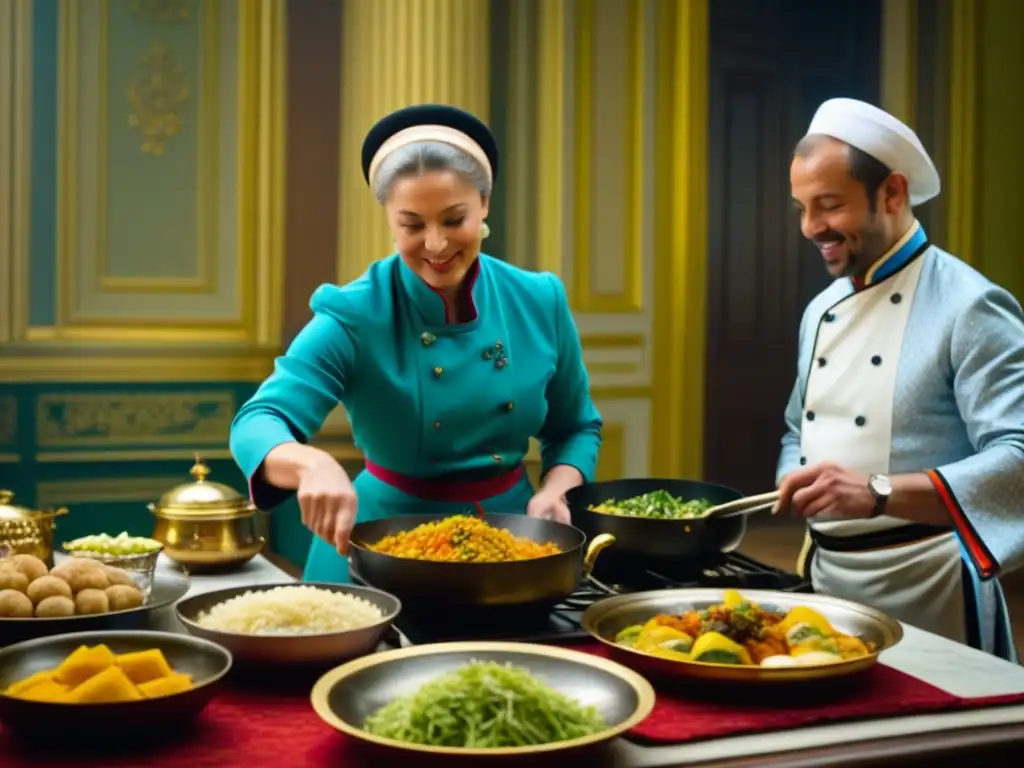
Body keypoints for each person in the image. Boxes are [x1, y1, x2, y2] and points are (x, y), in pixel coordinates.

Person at [229, 104, 602, 583]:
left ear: (484, 203)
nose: (436, 244)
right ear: (388, 219)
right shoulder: (355, 314)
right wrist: (310, 464)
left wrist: (557, 487)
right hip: (378, 551)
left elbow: (576, 426)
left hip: (513, 547)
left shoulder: (538, 299)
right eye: (412, 225)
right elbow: (258, 421)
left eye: (453, 219)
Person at [774, 98, 1024, 661]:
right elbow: (797, 429)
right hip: (827, 584)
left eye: (830, 205)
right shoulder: (820, 310)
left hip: (928, 586)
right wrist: (797, 477)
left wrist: (876, 491)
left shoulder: (971, 305)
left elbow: (1019, 454)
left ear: (892, 192)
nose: (812, 228)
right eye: (802, 208)